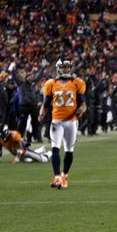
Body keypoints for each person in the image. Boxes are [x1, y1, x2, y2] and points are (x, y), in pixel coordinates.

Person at [38, 58, 86, 189]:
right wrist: (41, 114)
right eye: (64, 67)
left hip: (71, 121)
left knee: (69, 150)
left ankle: (65, 176)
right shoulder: (51, 84)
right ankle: (57, 177)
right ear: (59, 68)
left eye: (68, 67)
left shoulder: (77, 83)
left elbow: (83, 103)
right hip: (57, 121)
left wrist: (81, 109)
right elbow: (46, 104)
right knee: (55, 148)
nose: (66, 69)